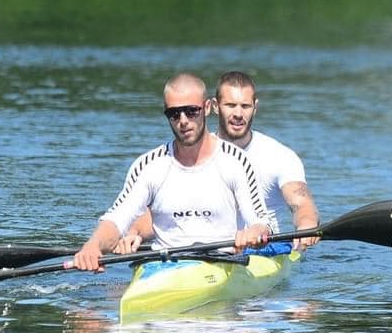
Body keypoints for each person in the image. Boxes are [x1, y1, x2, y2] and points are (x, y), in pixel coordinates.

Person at [73, 73, 278, 273]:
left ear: (207, 108)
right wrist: (93, 246)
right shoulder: (149, 166)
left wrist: (254, 232)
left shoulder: (236, 161)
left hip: (222, 263)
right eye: (174, 113)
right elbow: (117, 219)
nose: (183, 121)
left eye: (191, 111)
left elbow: (261, 221)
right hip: (163, 266)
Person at [116, 71, 320, 254]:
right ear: (213, 107)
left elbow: (301, 203)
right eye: (230, 105)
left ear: (255, 108)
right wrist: (134, 232)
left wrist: (307, 226)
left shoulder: (280, 156)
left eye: (245, 106)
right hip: (206, 249)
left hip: (263, 248)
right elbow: (166, 212)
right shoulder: (193, 154)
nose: (238, 114)